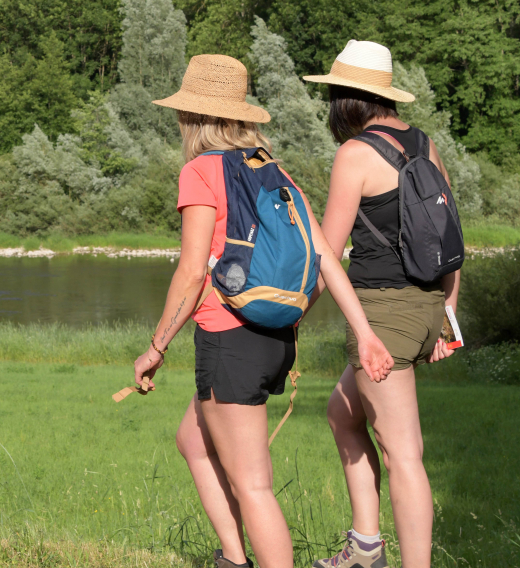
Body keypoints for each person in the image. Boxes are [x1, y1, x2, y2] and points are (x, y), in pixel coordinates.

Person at [134, 54, 395, 568]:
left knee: (254, 485)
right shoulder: (271, 168)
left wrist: (156, 346)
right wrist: (363, 332)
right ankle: (234, 559)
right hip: (274, 339)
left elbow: (191, 273)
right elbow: (325, 257)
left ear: (192, 117)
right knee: (194, 439)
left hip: (229, 338)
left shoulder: (201, 171)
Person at [303, 40, 461, 568]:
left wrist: (293, 321)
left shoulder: (354, 155)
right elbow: (451, 238)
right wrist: (446, 315)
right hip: (421, 310)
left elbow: (326, 253)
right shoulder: (425, 145)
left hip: (382, 317)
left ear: (348, 99)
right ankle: (365, 548)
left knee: (403, 455)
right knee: (341, 415)